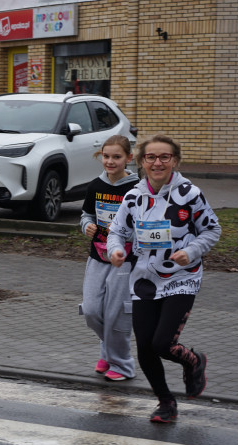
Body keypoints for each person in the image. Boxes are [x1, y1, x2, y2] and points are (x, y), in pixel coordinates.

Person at [106, 134, 221, 424]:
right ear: (141, 161)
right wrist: (116, 250)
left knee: (162, 343)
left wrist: (191, 251)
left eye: (164, 157)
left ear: (175, 160)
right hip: (144, 279)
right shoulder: (133, 196)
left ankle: (193, 361)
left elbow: (211, 230)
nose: (157, 163)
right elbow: (117, 230)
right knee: (145, 346)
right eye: (151, 157)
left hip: (181, 277)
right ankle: (166, 402)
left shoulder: (189, 194)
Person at [79, 135, 139, 382]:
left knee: (117, 314)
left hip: (125, 260)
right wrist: (87, 226)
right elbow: (86, 215)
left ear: (129, 159)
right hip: (98, 257)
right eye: (106, 156)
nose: (110, 161)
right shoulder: (95, 186)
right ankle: (109, 350)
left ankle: (123, 365)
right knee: (92, 311)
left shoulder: (137, 190)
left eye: (117, 157)